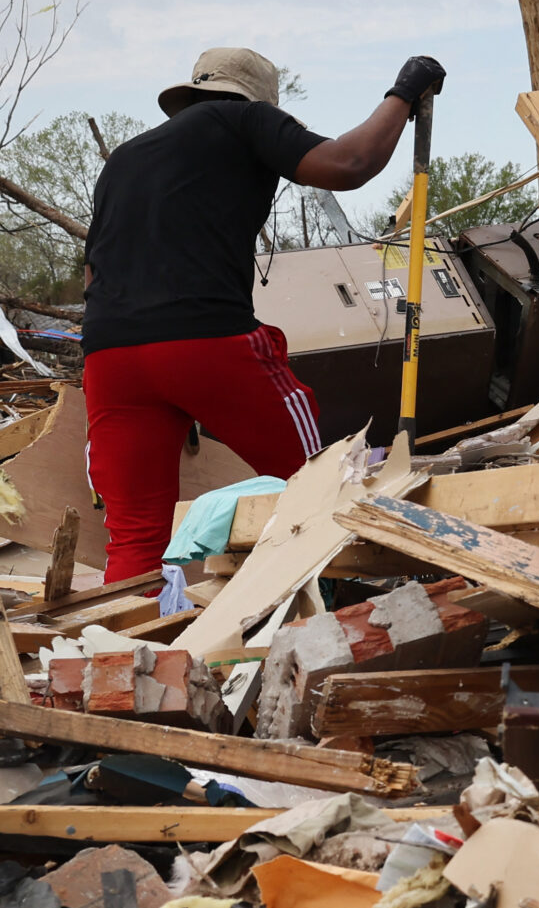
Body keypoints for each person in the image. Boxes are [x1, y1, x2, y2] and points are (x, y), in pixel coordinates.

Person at [85, 46, 444, 581]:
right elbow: (350, 163)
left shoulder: (124, 158)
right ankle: (337, 604)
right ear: (260, 99)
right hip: (207, 342)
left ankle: (119, 656)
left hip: (110, 358)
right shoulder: (244, 120)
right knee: (316, 484)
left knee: (135, 537)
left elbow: (93, 271)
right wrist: (404, 92)